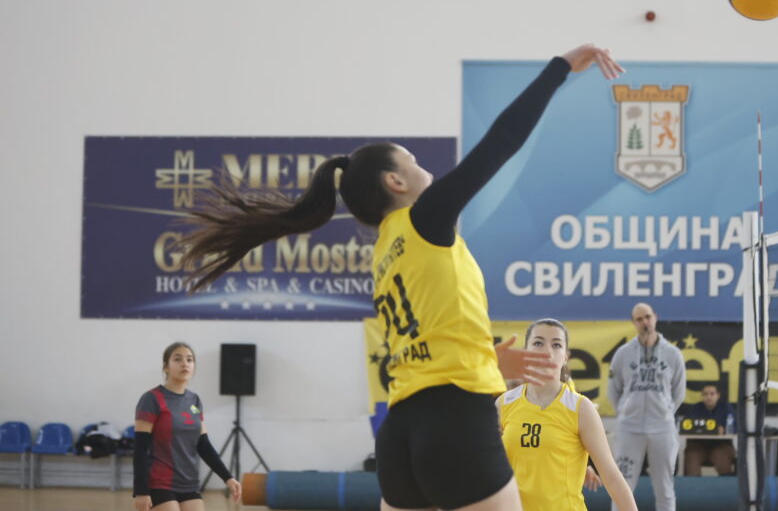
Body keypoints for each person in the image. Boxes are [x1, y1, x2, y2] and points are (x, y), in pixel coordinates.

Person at [179, 44, 624, 511]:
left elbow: (427, 344)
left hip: (401, 435)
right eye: (411, 159)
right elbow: (501, 142)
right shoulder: (425, 218)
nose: (422, 165)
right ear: (395, 182)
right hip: (454, 419)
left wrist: (488, 360)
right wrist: (560, 69)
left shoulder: (384, 254)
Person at [498, 319, 637, 511]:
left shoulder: (581, 408)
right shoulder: (504, 403)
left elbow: (611, 477)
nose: (547, 351)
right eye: (538, 343)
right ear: (525, 352)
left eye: (556, 345)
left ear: (565, 356)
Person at [133, 342, 241, 511]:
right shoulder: (151, 399)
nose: (185, 363)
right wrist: (140, 491)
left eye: (189, 360)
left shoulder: (194, 401)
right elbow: (140, 449)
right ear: (166, 367)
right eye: (178, 359)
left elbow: (203, 445)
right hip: (159, 483)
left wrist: (228, 478)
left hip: (189, 483)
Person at [607, 303, 686, 511]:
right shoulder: (623, 354)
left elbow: (679, 392)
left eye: (648, 317)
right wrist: (625, 411)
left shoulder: (673, 354)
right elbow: (613, 390)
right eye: (639, 319)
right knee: (622, 487)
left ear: (655, 317)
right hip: (629, 428)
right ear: (633, 323)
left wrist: (665, 412)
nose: (645, 322)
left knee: (665, 488)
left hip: (662, 428)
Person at [682, 383, 736, 476]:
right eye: (705, 394)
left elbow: (736, 426)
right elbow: (686, 426)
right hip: (698, 445)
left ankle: (726, 482)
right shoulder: (695, 408)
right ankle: (692, 483)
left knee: (721, 454)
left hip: (721, 445)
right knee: (692, 454)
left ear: (718, 395)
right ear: (702, 396)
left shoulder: (726, 408)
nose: (708, 397)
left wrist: (724, 430)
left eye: (712, 394)